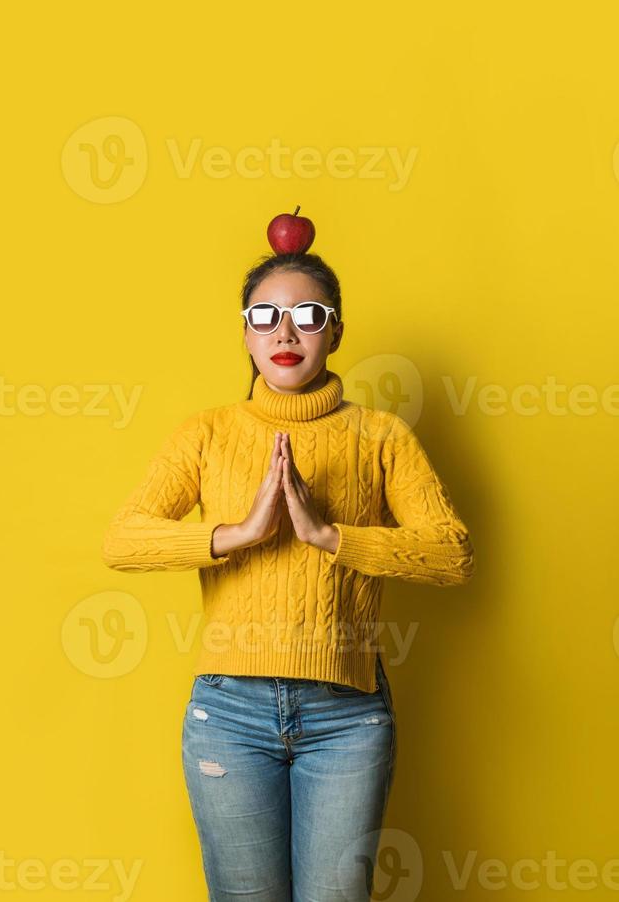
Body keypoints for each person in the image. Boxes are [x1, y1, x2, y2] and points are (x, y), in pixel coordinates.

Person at [101, 246, 475, 901]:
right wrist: (237, 535)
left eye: (307, 314)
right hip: (228, 714)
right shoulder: (207, 434)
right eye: (265, 315)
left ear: (335, 330)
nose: (285, 331)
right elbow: (121, 541)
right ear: (244, 333)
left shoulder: (380, 437)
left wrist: (329, 536)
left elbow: (452, 554)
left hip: (347, 719)